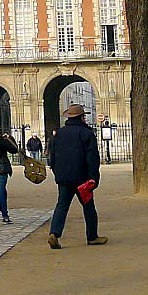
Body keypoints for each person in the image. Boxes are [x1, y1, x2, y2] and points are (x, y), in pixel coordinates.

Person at [47, 103, 108, 249]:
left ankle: (54, 233)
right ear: (82, 117)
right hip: (82, 179)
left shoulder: (59, 134)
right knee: (88, 207)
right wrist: (93, 177)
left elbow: (52, 157)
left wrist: (57, 173)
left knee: (61, 206)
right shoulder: (86, 133)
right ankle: (92, 236)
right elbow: (92, 157)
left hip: (64, 178)